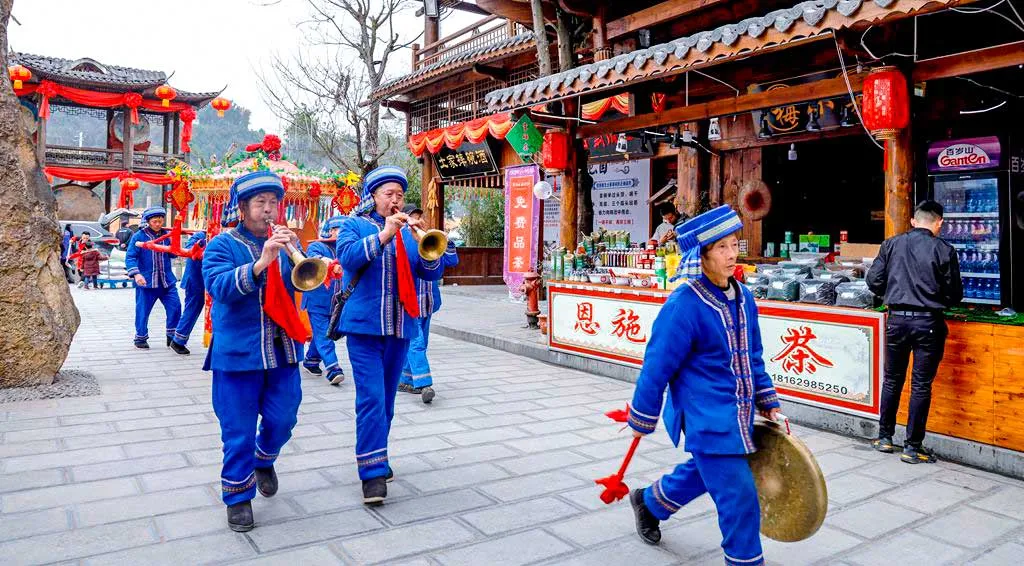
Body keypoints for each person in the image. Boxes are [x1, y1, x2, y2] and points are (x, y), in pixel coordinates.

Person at [626, 205, 781, 566]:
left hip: (739, 413)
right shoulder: (684, 304)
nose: (731, 254)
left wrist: (767, 398)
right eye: (721, 247)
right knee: (740, 498)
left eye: (734, 245)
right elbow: (657, 365)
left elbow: (753, 354)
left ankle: (649, 502)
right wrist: (641, 416)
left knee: (705, 471)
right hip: (705, 416)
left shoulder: (744, 298)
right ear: (702, 255)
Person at [333, 165, 444, 504]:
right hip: (364, 327)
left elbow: (431, 272)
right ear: (373, 197)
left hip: (401, 326)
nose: (395, 200)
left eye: (399, 194)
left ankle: (377, 455)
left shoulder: (409, 232)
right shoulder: (353, 225)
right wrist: (384, 234)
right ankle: (372, 473)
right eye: (388, 194)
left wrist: (426, 246)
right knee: (371, 398)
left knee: (387, 401)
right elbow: (347, 257)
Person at [202, 170, 306, 532]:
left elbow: (304, 280)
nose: (268, 209)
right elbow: (218, 287)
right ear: (243, 208)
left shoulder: (286, 242)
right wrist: (262, 262)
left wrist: (299, 255)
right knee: (238, 430)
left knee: (284, 418)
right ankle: (237, 497)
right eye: (260, 202)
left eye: (273, 202)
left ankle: (264, 459)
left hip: (281, 349)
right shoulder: (222, 244)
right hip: (238, 354)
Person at [867, 200, 962, 464]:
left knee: (892, 380)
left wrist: (893, 293)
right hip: (928, 323)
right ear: (939, 223)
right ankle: (912, 447)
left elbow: (873, 280)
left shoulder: (891, 244)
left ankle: (884, 438)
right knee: (921, 384)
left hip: (896, 320)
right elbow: (955, 293)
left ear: (913, 221)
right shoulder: (944, 249)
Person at [399, 203, 458, 404]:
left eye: (418, 216)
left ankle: (405, 379)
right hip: (409, 301)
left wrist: (447, 242)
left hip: (428, 301)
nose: (416, 220)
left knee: (421, 342)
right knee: (416, 342)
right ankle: (425, 383)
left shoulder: (430, 237)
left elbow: (451, 262)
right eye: (412, 217)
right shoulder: (400, 239)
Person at [125, 207, 182, 349]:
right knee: (143, 311)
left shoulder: (167, 235)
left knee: (175, 307)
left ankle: (172, 337)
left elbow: (173, 254)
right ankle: (140, 338)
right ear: (148, 221)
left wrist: (176, 243)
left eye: (160, 221)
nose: (158, 224)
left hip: (166, 281)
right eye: (155, 221)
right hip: (146, 282)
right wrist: (137, 274)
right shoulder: (138, 236)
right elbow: (130, 257)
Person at [302, 215, 346, 385]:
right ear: (330, 230)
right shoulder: (317, 246)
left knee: (325, 333)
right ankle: (333, 368)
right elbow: (314, 258)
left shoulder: (346, 247)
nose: (341, 233)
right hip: (317, 301)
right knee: (323, 334)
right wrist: (327, 262)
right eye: (338, 229)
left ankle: (311, 360)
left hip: (337, 302)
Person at [170, 231, 207, 356]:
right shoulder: (201, 236)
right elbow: (189, 249)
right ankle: (178, 340)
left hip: (209, 281)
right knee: (192, 310)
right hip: (196, 281)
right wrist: (201, 247)